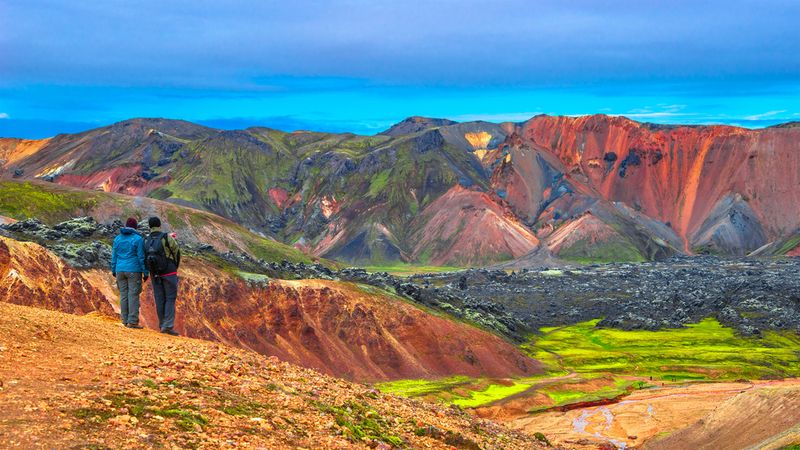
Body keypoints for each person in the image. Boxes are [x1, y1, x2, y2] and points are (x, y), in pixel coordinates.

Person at [145, 216, 181, 336]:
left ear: (149, 226)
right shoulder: (166, 237)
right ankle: (168, 326)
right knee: (170, 298)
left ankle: (162, 325)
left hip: (155, 274)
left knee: (160, 299)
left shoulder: (147, 240)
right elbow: (176, 251)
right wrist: (174, 266)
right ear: (159, 225)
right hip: (169, 272)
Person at [111, 217, 148, 329]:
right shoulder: (138, 239)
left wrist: (114, 270)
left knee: (123, 295)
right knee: (133, 295)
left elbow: (114, 256)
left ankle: (124, 320)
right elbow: (141, 257)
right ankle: (132, 322)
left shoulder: (117, 239)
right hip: (133, 270)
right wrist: (145, 272)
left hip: (119, 270)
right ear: (135, 227)